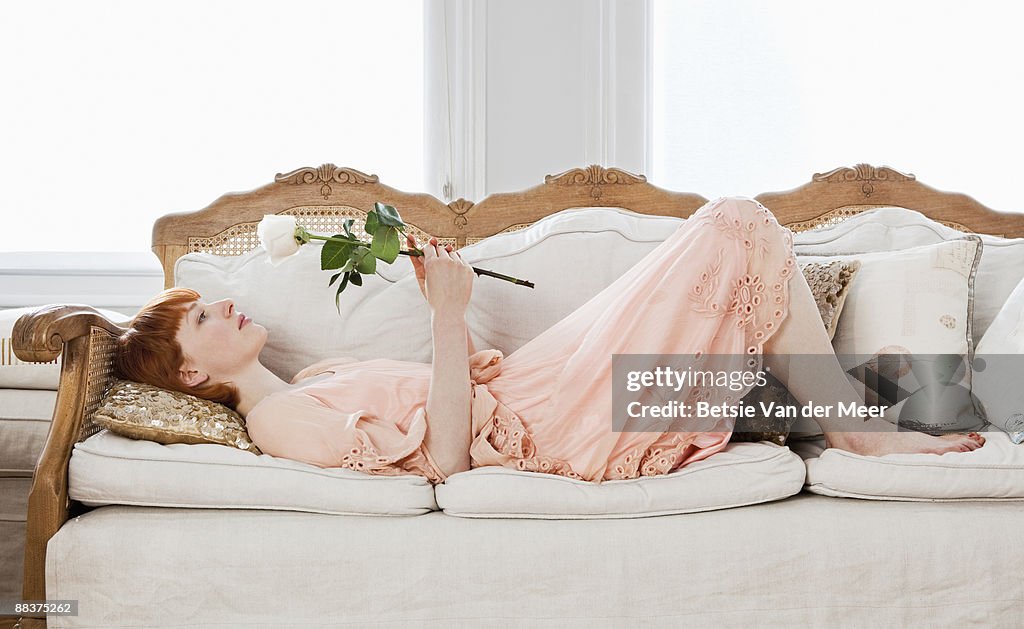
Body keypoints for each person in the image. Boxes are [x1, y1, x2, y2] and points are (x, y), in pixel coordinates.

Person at [115, 197, 985, 484]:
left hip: (534, 383)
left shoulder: (324, 374)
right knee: (735, 225)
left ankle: (869, 414)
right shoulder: (276, 424)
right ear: (192, 369)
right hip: (550, 424)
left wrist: (443, 299)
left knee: (737, 238)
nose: (226, 310)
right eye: (204, 317)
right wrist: (449, 318)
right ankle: (857, 426)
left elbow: (440, 397)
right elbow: (447, 462)